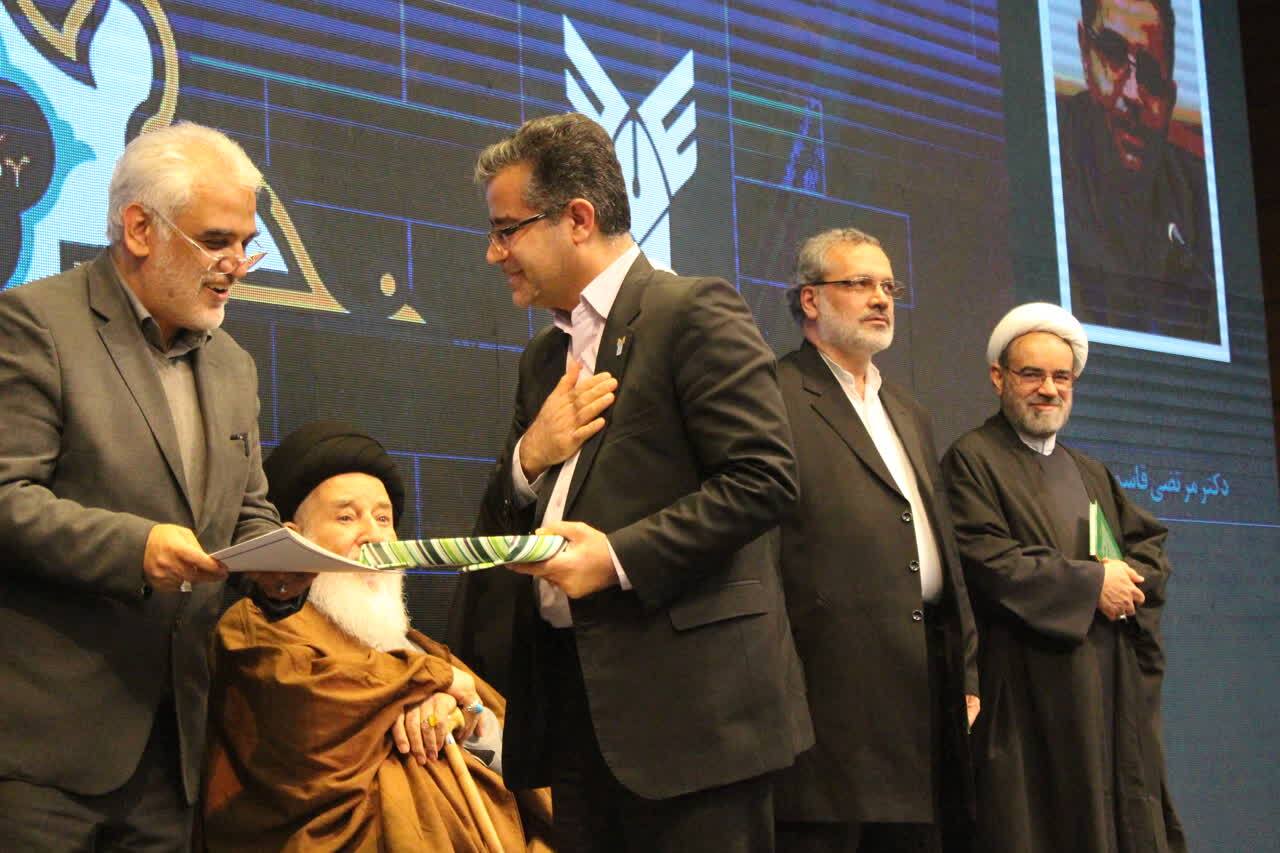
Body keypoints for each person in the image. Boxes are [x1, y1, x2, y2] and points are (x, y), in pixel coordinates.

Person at [449, 112, 811, 851]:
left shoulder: (692, 312)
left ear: (578, 219)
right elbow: (503, 526)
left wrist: (614, 558)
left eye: (508, 230)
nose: (494, 253)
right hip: (580, 720)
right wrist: (527, 459)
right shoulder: (542, 361)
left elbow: (764, 478)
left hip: (694, 727)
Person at [0, 121, 309, 850]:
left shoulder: (233, 365)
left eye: (246, 243)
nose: (237, 265)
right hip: (42, 757)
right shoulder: (35, 323)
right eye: (216, 241)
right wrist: (136, 548)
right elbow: (7, 497)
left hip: (173, 755)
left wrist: (282, 568)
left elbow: (246, 511)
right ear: (140, 229)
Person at [204, 421, 551, 852]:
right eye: (346, 517)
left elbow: (504, 741)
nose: (374, 535)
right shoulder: (254, 627)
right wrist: (424, 685)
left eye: (383, 518)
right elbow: (311, 720)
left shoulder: (418, 649)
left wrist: (460, 712)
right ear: (294, 539)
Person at [940, 303, 1187, 853]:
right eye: (1032, 374)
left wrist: (1128, 580)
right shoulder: (972, 460)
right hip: (1027, 693)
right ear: (999, 378)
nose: (1048, 390)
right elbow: (987, 560)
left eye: (1061, 377)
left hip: (1106, 692)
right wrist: (1092, 585)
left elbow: (1147, 549)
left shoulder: (1089, 471)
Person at [771, 228, 979, 853]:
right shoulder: (773, 393)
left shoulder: (908, 410)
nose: (881, 298)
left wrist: (966, 670)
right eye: (859, 283)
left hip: (922, 692)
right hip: (828, 700)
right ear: (811, 300)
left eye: (888, 285)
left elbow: (940, 546)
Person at [1058, 0, 1217, 344]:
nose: (1132, 94)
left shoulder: (1200, 202)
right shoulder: (1046, 158)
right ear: (1085, 51)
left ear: (1170, 98)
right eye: (1113, 54)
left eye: (1150, 76)